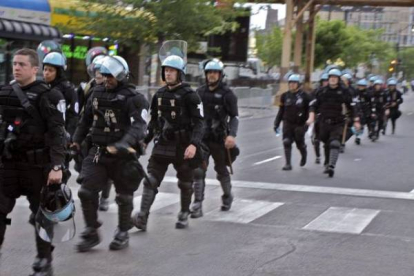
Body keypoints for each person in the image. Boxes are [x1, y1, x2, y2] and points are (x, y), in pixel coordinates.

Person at [0, 48, 66, 276]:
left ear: (35, 69)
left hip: (37, 166)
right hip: (8, 164)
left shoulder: (49, 96)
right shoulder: (5, 91)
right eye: (15, 64)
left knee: (42, 215)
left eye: (22, 65)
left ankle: (44, 260)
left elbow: (58, 132)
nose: (16, 68)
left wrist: (57, 166)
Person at [73, 55, 149, 252]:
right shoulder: (96, 93)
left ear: (122, 75)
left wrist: (124, 143)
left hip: (122, 155)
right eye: (104, 76)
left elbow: (140, 126)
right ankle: (91, 231)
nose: (107, 80)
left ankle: (123, 231)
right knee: (85, 191)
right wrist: (74, 141)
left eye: (111, 76)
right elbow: (85, 120)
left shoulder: (135, 98)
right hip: (98, 151)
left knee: (124, 196)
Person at [131, 54, 204, 230]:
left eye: (172, 70)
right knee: (150, 180)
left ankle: (184, 213)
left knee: (185, 183)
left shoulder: (191, 96)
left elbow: (199, 123)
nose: (168, 73)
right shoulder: (159, 94)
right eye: (166, 70)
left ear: (180, 73)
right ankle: (142, 217)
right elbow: (154, 121)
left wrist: (194, 144)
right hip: (163, 143)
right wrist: (145, 140)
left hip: (184, 145)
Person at [191, 59, 239, 218]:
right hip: (202, 138)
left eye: (215, 72)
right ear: (205, 74)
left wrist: (232, 135)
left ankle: (227, 196)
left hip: (219, 138)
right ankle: (197, 204)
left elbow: (234, 117)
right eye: (209, 72)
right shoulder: (199, 92)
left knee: (220, 169)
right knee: (198, 170)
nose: (212, 75)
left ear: (220, 75)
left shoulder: (227, 94)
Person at [74, 54, 112, 212]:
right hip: (89, 131)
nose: (97, 74)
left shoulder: (113, 90)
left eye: (101, 71)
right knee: (83, 163)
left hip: (106, 134)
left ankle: (104, 197)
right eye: (96, 70)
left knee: (107, 166)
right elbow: (82, 111)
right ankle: (93, 190)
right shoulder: (87, 87)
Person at [307, 69, 360, 177]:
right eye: (331, 77)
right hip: (323, 122)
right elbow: (313, 105)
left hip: (338, 122)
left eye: (335, 77)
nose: (332, 79)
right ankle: (327, 162)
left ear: (338, 79)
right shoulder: (321, 91)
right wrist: (311, 117)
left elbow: (353, 107)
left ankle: (331, 166)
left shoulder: (344, 92)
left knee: (334, 143)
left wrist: (356, 120)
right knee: (326, 144)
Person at [42, 51, 79, 182]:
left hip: (60, 139)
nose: (46, 73)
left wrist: (67, 137)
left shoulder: (68, 89)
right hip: (44, 140)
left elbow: (74, 115)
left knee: (58, 184)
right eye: (45, 69)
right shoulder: (42, 87)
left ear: (59, 71)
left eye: (50, 70)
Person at [274, 74, 310, 170]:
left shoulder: (305, 96)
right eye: (290, 83)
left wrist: (306, 124)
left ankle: (304, 153)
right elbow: (281, 111)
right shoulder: (285, 96)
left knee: (299, 143)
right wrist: (276, 123)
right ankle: (288, 164)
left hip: (300, 124)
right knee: (286, 141)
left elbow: (309, 111)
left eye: (294, 83)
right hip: (288, 123)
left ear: (298, 84)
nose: (292, 85)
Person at [310, 73, 328, 164]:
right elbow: (311, 104)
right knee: (316, 138)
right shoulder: (317, 92)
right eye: (324, 81)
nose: (325, 83)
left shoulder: (334, 92)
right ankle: (317, 156)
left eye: (327, 81)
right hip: (318, 118)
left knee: (327, 140)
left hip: (328, 118)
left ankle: (327, 159)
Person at [354, 79, 371, 145]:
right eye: (360, 86)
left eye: (362, 86)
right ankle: (357, 135)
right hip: (356, 110)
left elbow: (371, 102)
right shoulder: (355, 92)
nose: (361, 87)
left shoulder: (368, 93)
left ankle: (358, 137)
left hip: (364, 110)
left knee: (362, 124)